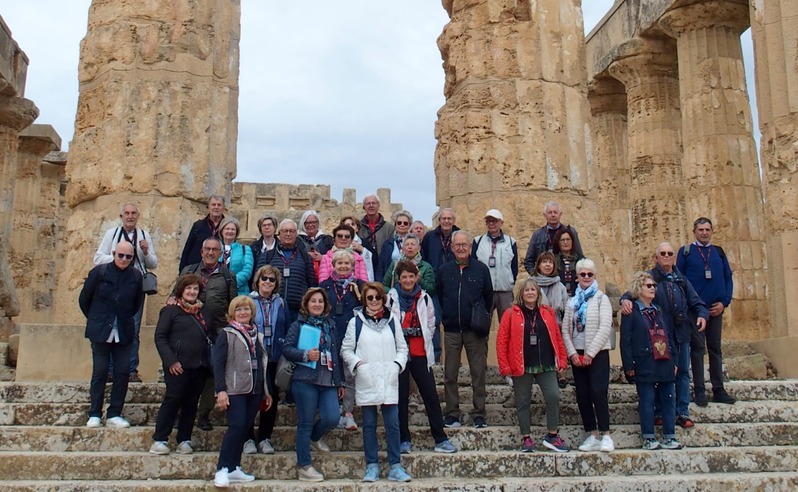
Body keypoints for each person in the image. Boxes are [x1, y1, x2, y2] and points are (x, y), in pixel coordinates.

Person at [621, 242, 708, 427]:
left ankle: (682, 412)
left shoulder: (681, 279)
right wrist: (624, 301)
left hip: (681, 333)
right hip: (658, 336)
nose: (667, 256)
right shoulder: (650, 278)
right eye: (663, 253)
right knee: (660, 374)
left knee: (683, 372)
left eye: (670, 253)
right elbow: (630, 293)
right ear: (656, 257)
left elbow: (697, 301)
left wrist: (702, 315)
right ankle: (659, 412)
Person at [341, 282, 412, 482]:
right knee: (369, 424)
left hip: (388, 377)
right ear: (364, 299)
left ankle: (395, 466)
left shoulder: (392, 321)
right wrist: (358, 365)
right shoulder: (355, 323)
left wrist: (396, 365)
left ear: (383, 299)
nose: (374, 301)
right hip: (367, 377)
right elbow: (346, 350)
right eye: (369, 297)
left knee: (393, 423)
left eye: (377, 297)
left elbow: (402, 347)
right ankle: (371, 465)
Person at [387, 261, 458, 455]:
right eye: (404, 277)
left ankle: (440, 438)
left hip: (419, 352)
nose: (408, 280)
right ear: (399, 279)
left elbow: (431, 323)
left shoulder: (424, 298)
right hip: (399, 354)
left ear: (416, 277)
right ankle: (403, 439)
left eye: (411, 276)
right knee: (400, 397)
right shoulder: (391, 298)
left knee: (431, 396)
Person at [497, 278, 569, 453]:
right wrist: (504, 366)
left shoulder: (547, 312)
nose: (530, 293)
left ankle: (552, 435)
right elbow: (502, 340)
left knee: (553, 396)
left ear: (538, 293)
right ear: (521, 294)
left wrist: (562, 358)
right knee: (523, 401)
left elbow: (557, 337)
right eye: (526, 290)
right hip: (521, 365)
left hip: (546, 364)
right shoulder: (510, 313)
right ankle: (526, 438)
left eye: (533, 290)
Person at [282, 288, 345, 482]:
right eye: (313, 301)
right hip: (305, 379)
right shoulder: (298, 325)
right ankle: (304, 466)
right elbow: (286, 349)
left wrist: (339, 380)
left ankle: (314, 438)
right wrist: (305, 355)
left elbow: (335, 354)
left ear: (325, 305)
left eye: (320, 301)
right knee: (305, 423)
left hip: (328, 381)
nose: (317, 304)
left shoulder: (331, 325)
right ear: (306, 304)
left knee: (332, 417)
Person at [175, 237, 237, 431]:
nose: (210, 253)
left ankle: (204, 414)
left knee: (212, 373)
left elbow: (232, 303)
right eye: (207, 249)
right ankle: (181, 411)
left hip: (216, 331)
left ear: (220, 253)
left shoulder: (227, 275)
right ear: (201, 252)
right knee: (186, 372)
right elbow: (174, 295)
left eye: (215, 250)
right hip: (189, 329)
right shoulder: (189, 271)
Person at [79, 240, 143, 429]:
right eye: (120, 255)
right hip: (101, 330)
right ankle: (95, 413)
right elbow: (85, 299)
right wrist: (97, 319)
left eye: (128, 256)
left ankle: (115, 412)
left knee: (122, 373)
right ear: (114, 254)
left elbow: (136, 304)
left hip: (123, 330)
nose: (124, 259)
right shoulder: (99, 272)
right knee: (100, 372)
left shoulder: (136, 276)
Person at [211, 296, 272, 488]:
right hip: (235, 388)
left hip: (254, 388)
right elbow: (218, 364)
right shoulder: (227, 334)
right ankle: (222, 468)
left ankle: (234, 466)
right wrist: (221, 391)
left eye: (246, 309)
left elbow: (262, 364)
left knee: (244, 428)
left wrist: (266, 391)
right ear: (233, 313)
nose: (243, 313)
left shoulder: (257, 334)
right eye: (239, 310)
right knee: (236, 427)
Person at [93, 203, 158, 383]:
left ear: (138, 216)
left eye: (133, 213)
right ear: (121, 216)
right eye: (127, 213)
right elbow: (98, 258)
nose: (130, 216)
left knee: (133, 328)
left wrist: (145, 252)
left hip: (135, 286)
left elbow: (153, 263)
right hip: (113, 286)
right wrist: (118, 258)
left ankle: (130, 369)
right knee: (112, 325)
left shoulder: (144, 235)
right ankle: (111, 369)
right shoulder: (111, 234)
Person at [435, 231, 493, 429]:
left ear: (470, 247)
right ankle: (452, 413)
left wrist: (483, 322)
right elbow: (440, 294)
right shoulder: (444, 270)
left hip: (474, 331)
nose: (461, 248)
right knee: (450, 374)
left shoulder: (481, 270)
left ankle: (479, 414)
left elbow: (489, 297)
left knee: (478, 373)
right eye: (457, 245)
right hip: (451, 330)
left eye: (464, 245)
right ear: (452, 248)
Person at [621, 271, 683, 451]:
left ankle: (670, 436)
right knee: (647, 400)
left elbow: (669, 337)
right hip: (644, 362)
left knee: (668, 398)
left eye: (654, 286)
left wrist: (675, 361)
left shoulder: (659, 310)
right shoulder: (631, 311)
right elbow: (626, 340)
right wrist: (628, 365)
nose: (653, 289)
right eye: (649, 286)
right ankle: (648, 437)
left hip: (664, 361)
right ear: (639, 288)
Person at [149, 274, 211, 455]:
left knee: (191, 403)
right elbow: (160, 337)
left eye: (195, 289)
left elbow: (211, 335)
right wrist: (170, 360)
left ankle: (184, 439)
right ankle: (160, 439)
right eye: (188, 288)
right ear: (181, 290)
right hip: (177, 366)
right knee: (173, 399)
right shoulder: (170, 311)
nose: (192, 292)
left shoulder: (204, 312)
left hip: (199, 366)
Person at [677, 217, 736, 406]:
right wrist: (691, 305)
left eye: (707, 229)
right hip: (695, 310)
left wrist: (724, 303)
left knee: (715, 349)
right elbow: (680, 280)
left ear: (712, 231)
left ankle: (719, 389)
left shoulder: (718, 252)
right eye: (701, 229)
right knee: (697, 349)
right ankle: (699, 390)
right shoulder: (686, 252)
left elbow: (728, 278)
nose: (704, 233)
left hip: (715, 309)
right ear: (694, 231)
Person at [561, 258, 615, 453]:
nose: (586, 277)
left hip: (597, 353)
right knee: (582, 394)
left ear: (594, 276)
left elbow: (604, 327)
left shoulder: (602, 299)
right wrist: (572, 353)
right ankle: (592, 434)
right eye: (582, 274)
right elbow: (566, 330)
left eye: (589, 274)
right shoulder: (572, 302)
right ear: (577, 277)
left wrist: (590, 353)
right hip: (578, 353)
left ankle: (606, 434)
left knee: (598, 392)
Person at [242, 265, 288, 455]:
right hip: (254, 356)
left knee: (273, 399)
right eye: (264, 278)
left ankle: (264, 437)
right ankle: (247, 438)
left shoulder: (280, 303)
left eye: (271, 279)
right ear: (258, 280)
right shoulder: (248, 301)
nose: (267, 282)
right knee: (252, 397)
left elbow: (285, 327)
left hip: (274, 356)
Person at [319, 249, 366, 431]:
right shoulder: (325, 286)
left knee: (349, 375)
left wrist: (359, 294)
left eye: (347, 263)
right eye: (340, 263)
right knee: (331, 375)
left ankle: (348, 413)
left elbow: (369, 306)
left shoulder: (360, 285)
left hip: (352, 337)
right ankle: (334, 410)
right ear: (334, 265)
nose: (343, 266)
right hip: (330, 336)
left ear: (353, 266)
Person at [254, 219, 317, 324]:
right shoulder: (267, 256)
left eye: (292, 231)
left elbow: (312, 283)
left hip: (298, 310)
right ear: (279, 234)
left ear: (296, 234)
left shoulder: (305, 257)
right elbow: (257, 281)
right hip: (272, 308)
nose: (288, 234)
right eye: (285, 231)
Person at [420, 207, 459, 363]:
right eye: (444, 219)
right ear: (439, 220)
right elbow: (424, 257)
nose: (446, 221)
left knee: (454, 322)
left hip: (454, 285)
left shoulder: (459, 235)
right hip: (434, 286)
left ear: (453, 221)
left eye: (449, 219)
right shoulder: (430, 237)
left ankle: (453, 359)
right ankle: (435, 357)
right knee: (434, 321)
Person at [472, 209, 518, 324]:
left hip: (505, 291)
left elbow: (514, 267)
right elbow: (473, 265)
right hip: (485, 292)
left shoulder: (511, 242)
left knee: (508, 326)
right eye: (488, 221)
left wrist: (510, 282)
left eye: (494, 221)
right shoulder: (478, 241)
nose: (491, 224)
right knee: (482, 326)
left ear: (501, 223)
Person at [523, 200, 584, 273]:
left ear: (560, 214)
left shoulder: (570, 232)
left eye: (555, 212)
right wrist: (537, 277)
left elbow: (580, 257)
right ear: (545, 215)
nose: (553, 215)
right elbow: (528, 261)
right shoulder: (537, 234)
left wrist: (578, 276)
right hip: (544, 279)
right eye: (550, 212)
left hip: (567, 276)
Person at [179, 195, 226, 272]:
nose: (216, 207)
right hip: (196, 268)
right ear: (208, 207)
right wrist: (182, 270)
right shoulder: (198, 225)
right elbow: (187, 248)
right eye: (213, 205)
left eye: (219, 205)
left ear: (223, 208)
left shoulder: (227, 227)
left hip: (218, 270)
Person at [358, 194, 395, 272]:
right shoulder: (358, 227)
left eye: (374, 203)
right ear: (364, 207)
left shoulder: (389, 227)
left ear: (378, 206)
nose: (371, 206)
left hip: (383, 266)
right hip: (363, 265)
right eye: (368, 203)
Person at [530, 251, 569, 325]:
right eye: (544, 262)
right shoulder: (530, 284)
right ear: (538, 265)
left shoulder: (560, 286)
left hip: (555, 325)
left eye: (551, 262)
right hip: (535, 325)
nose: (548, 265)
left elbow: (566, 310)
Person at [218, 217, 254, 296]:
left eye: (233, 229)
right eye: (227, 228)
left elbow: (247, 271)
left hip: (239, 293)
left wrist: (230, 283)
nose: (230, 231)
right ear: (221, 231)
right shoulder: (215, 248)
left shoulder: (245, 249)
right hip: (218, 293)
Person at [377, 210, 413, 281]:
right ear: (395, 225)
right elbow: (381, 266)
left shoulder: (414, 243)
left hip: (409, 279)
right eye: (399, 223)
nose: (402, 225)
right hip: (391, 280)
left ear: (409, 226)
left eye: (405, 223)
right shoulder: (387, 244)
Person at [341, 215, 375, 281]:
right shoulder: (339, 242)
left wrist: (362, 249)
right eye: (347, 225)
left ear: (357, 228)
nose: (350, 226)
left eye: (353, 224)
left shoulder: (364, 242)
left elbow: (375, 260)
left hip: (362, 278)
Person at [553, 228, 583, 297]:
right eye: (562, 240)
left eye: (568, 239)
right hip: (558, 297)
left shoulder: (580, 259)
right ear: (558, 243)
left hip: (577, 296)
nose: (566, 242)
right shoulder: (553, 259)